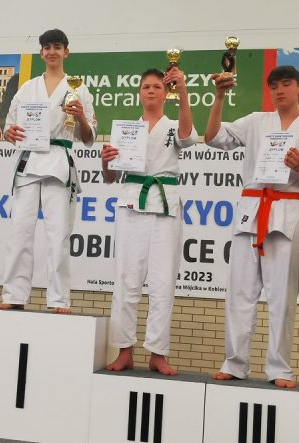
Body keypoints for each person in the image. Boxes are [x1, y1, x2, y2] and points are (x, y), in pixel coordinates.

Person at [205, 65, 299, 387]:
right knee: (239, 292)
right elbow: (212, 138)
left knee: (282, 296)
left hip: (288, 209)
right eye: (274, 85)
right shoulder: (255, 121)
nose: (279, 90)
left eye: (286, 84)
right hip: (251, 209)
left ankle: (280, 368)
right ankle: (235, 362)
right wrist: (219, 97)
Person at [100, 67, 197, 376]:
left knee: (162, 282)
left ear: (165, 93)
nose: (151, 90)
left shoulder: (174, 126)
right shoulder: (128, 130)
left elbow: (187, 137)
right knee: (126, 280)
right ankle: (124, 350)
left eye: (157, 86)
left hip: (165, 205)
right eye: (146, 87)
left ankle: (158, 353)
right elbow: (110, 177)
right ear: (139, 93)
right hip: (131, 203)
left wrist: (183, 92)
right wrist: (105, 161)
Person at [0, 28, 96, 314]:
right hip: (29, 164)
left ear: (66, 52)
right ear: (41, 53)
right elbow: (10, 128)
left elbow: (88, 138)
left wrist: (80, 117)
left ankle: (58, 299)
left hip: (59, 163)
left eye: (57, 47)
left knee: (58, 235)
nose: (52, 51)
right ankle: (14, 294)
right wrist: (10, 133)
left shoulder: (79, 89)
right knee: (20, 232)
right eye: (47, 47)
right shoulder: (28, 88)